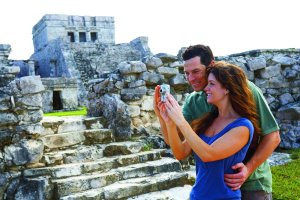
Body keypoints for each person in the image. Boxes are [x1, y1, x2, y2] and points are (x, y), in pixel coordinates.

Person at [153, 44, 280, 200]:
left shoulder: (246, 92)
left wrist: (248, 169)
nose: (191, 78)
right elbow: (178, 146)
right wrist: (164, 118)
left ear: (211, 65)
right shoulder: (196, 104)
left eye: (196, 71)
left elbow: (273, 136)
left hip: (251, 183)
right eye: (186, 73)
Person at [158, 61, 258, 199]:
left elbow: (208, 154)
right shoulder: (207, 121)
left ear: (227, 88)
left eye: (212, 84)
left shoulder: (243, 127)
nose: (206, 88)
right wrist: (168, 122)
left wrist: (181, 121)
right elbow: (180, 153)